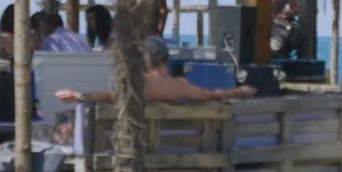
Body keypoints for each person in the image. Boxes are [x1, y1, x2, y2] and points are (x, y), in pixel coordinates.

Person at [57, 37, 256, 104]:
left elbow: (112, 96)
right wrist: (239, 91)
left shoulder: (142, 83)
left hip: (143, 148)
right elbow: (210, 95)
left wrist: (81, 96)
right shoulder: (180, 86)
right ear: (167, 59)